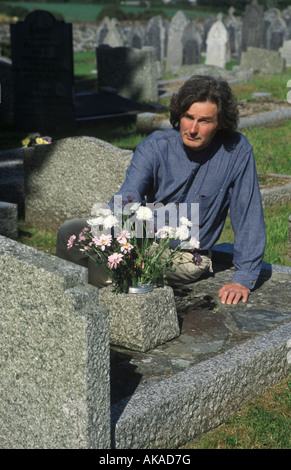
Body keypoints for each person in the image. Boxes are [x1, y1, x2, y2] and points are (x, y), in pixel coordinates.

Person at [56, 75, 266, 305]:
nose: (193, 129)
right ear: (179, 115)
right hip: (140, 236)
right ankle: (79, 300)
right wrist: (115, 235)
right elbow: (127, 196)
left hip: (186, 255)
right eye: (188, 117)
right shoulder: (156, 145)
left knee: (104, 265)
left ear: (220, 123)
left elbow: (248, 215)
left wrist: (243, 278)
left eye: (205, 121)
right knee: (70, 231)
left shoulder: (235, 151)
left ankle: (96, 305)